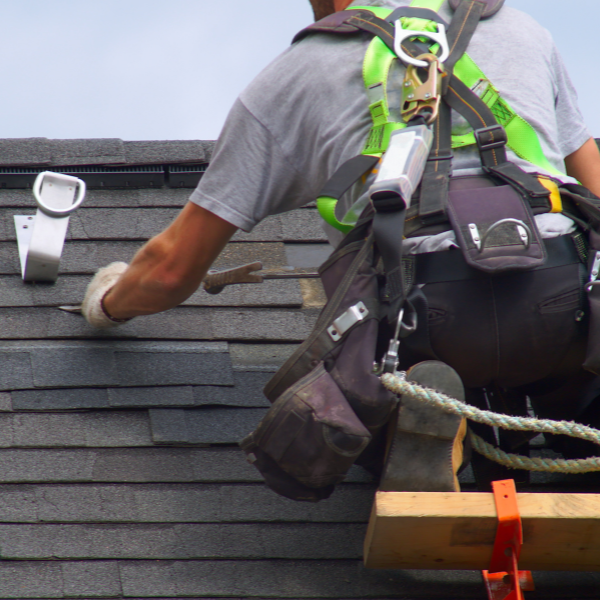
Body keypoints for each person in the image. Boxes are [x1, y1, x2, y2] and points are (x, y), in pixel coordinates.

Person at [82, 0, 600, 492]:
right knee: (576, 369)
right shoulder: (522, 31)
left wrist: (107, 304)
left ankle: (410, 425)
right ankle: (582, 416)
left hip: (421, 321)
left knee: (361, 389)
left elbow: (171, 270)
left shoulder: (295, 75)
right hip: (560, 302)